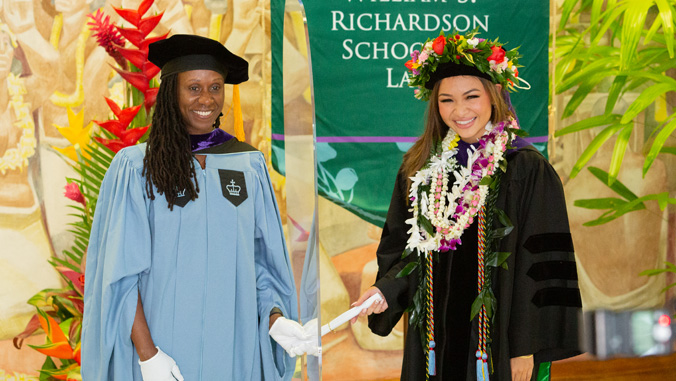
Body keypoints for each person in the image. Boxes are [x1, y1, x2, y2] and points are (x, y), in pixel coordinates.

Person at [352, 30, 582, 381]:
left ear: (494, 95)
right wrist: (383, 290)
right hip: (433, 341)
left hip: (500, 344)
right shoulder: (421, 168)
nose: (459, 111)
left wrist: (526, 348)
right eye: (446, 100)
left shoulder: (525, 167)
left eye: (471, 96)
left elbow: (541, 267)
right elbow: (406, 251)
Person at [82, 34, 313, 381]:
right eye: (194, 88)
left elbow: (262, 265)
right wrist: (148, 357)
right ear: (172, 91)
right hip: (163, 354)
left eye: (215, 87)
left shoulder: (247, 164)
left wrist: (275, 320)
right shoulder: (136, 167)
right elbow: (121, 275)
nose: (206, 99)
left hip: (234, 351)